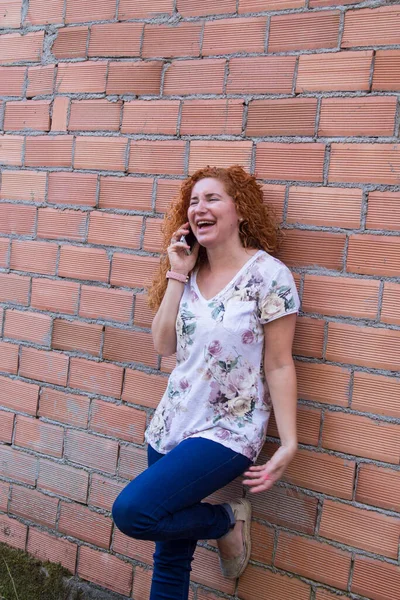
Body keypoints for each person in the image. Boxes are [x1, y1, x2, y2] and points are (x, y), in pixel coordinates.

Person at [112, 165, 300, 600]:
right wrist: (177, 272)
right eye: (194, 201)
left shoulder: (269, 277)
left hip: (228, 429)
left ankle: (223, 521)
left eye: (212, 198)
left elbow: (278, 364)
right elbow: (163, 345)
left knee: (135, 513)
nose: (200, 208)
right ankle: (225, 523)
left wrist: (289, 442)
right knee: (170, 555)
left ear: (240, 210)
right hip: (172, 421)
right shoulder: (188, 273)